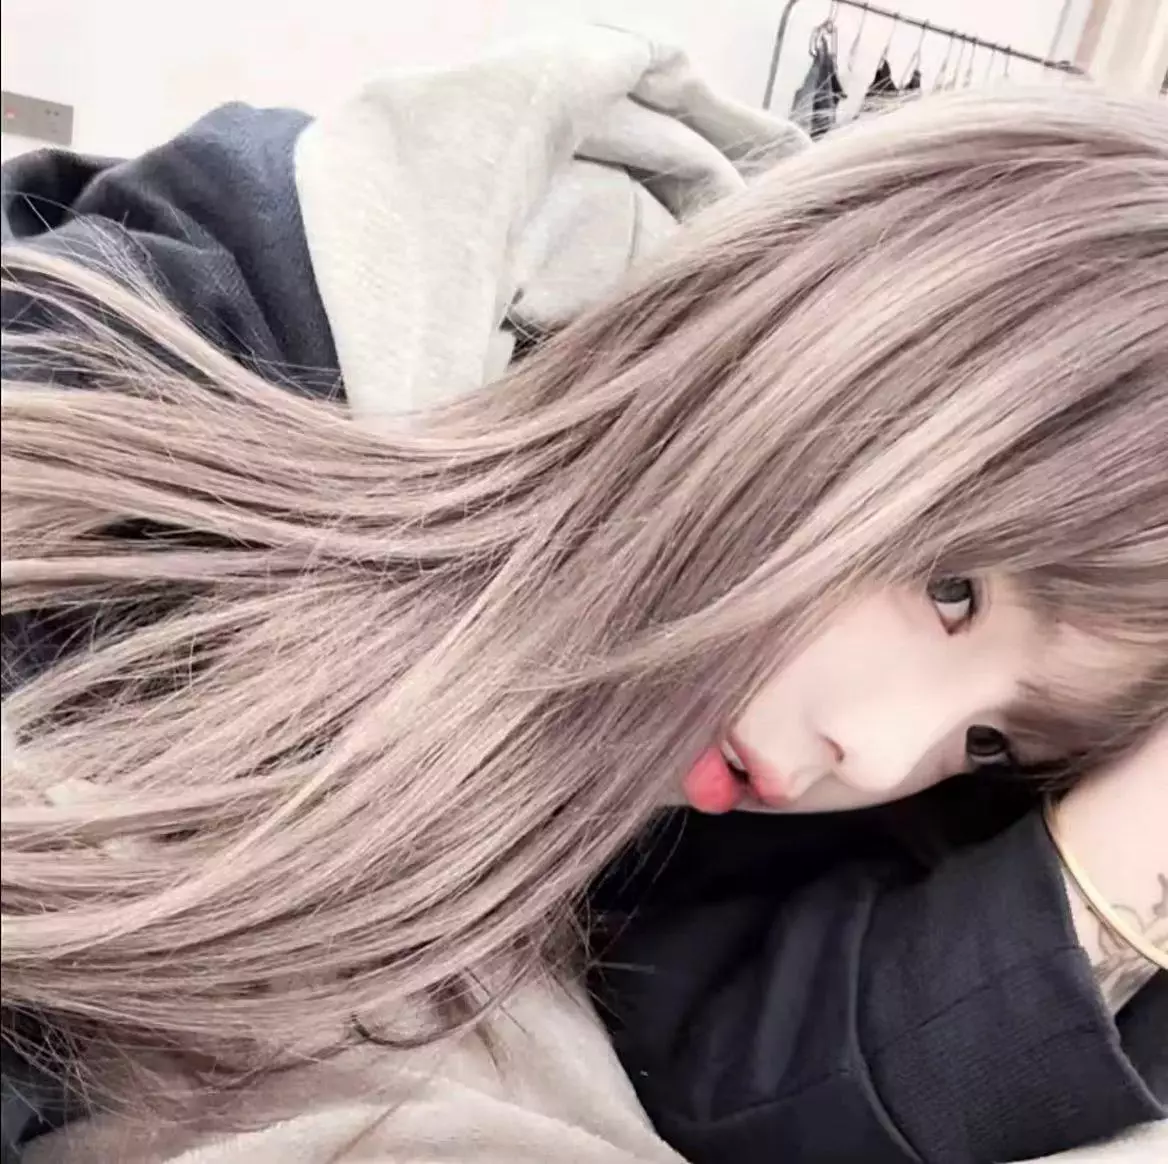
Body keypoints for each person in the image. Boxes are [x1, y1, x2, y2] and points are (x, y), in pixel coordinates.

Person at [1, 28, 1165, 1164]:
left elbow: (769, 1069)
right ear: (845, 338)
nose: (880, 750)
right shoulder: (258, 305)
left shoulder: (738, 752)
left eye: (990, 740)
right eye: (955, 591)